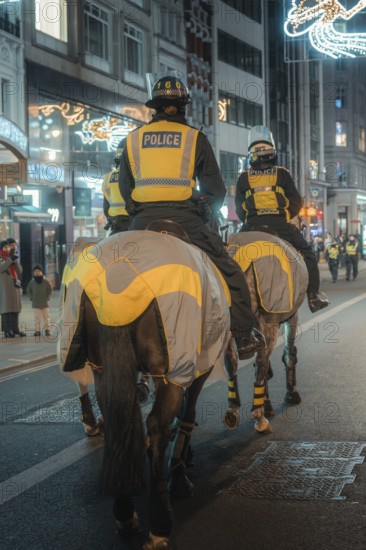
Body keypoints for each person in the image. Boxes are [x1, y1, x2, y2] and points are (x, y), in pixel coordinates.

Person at [118, 74, 265, 360]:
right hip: (186, 220)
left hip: (141, 222)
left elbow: (126, 187)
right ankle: (245, 335)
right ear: (184, 106)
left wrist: (137, 210)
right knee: (231, 273)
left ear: (154, 107)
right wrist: (203, 208)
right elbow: (216, 190)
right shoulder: (194, 138)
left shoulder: (132, 140)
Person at [235, 125, 329, 313]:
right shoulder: (282, 173)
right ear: (272, 152)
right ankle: (313, 296)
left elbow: (239, 207)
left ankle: (231, 301)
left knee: (230, 255)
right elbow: (295, 201)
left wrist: (248, 220)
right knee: (308, 253)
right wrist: (285, 216)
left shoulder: (244, 177)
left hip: (252, 226)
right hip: (280, 226)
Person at [102, 138, 130, 234]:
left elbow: (106, 209)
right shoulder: (139, 176)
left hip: (116, 228)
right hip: (135, 226)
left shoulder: (107, 178)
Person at [0, 239, 26, 338]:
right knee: (6, 309)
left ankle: (15, 329)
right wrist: (10, 259)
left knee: (15, 309)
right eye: (5, 247)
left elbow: (20, 271)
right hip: (4, 288)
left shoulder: (10, 258)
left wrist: (14, 260)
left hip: (14, 287)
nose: (7, 249)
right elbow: (1, 268)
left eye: (8, 247)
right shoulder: (2, 258)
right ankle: (7, 331)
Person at [26, 264, 53, 336]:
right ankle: (37, 331)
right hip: (36, 303)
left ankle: (47, 330)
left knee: (46, 317)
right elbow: (28, 290)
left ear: (42, 272)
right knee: (37, 318)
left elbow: (50, 290)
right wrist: (31, 297)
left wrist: (47, 297)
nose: (37, 272)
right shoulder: (32, 282)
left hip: (44, 303)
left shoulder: (45, 281)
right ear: (33, 273)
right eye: (35, 271)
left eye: (38, 271)